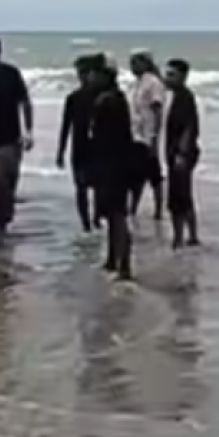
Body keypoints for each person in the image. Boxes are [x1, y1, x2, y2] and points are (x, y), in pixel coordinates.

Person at [0, 34, 33, 234]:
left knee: (3, 179)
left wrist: (29, 131)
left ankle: (4, 220)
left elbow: (25, 102)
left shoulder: (10, 74)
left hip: (9, 139)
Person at [88, 53, 135, 280]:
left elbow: (99, 139)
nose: (90, 78)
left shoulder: (106, 101)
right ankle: (113, 260)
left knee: (116, 216)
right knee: (113, 215)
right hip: (119, 163)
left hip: (111, 165)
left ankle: (123, 265)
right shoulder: (118, 98)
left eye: (93, 73)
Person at [57, 54, 98, 232]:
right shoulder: (73, 98)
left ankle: (96, 218)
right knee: (81, 187)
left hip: (97, 148)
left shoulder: (102, 96)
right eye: (80, 72)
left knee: (98, 187)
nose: (82, 76)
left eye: (85, 72)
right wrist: (60, 151)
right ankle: (86, 224)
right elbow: (66, 126)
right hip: (79, 148)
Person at [163, 58, 202, 248]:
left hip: (182, 154)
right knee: (176, 196)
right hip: (174, 153)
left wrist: (181, 154)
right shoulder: (175, 95)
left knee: (182, 196)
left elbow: (190, 128)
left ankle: (189, 236)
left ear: (183, 76)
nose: (167, 78)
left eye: (172, 75)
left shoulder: (185, 97)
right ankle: (181, 236)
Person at [128, 50, 165, 219]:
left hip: (148, 135)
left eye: (135, 63)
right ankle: (133, 207)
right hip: (136, 134)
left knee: (153, 174)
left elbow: (157, 110)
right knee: (137, 173)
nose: (132, 67)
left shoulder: (153, 83)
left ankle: (158, 209)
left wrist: (155, 136)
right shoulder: (138, 83)